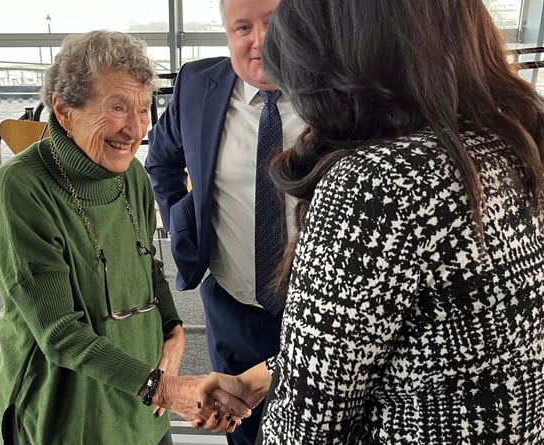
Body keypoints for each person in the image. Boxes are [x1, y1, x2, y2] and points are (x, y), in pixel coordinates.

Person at [195, 0, 544, 443]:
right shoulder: (510, 145)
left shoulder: (375, 183)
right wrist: (260, 379)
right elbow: (423, 347)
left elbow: (306, 429)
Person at [0, 30, 248, 445]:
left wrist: (173, 327)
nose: (135, 129)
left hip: (140, 400)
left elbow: (146, 265)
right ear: (64, 110)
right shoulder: (20, 188)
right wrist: (165, 389)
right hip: (69, 410)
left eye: (144, 109)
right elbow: (60, 334)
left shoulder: (134, 177)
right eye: (118, 107)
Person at [144, 0, 306, 442]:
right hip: (233, 302)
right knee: (241, 428)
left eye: (273, 24)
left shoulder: (341, 93)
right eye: (242, 28)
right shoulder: (198, 86)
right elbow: (160, 161)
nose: (259, 41)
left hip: (319, 307)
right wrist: (186, 224)